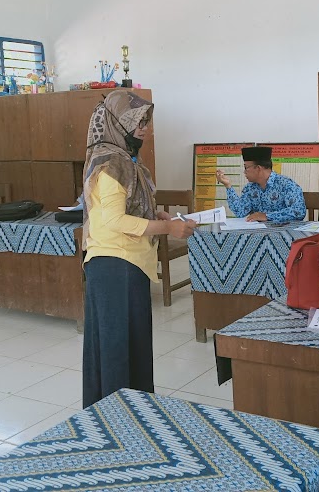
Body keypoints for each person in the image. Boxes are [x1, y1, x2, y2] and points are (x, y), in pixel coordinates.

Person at [81, 90, 195, 408]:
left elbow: (129, 208)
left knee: (134, 348)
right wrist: (169, 228)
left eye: (146, 121)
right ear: (118, 122)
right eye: (138, 121)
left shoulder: (127, 158)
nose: (145, 128)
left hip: (130, 264)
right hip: (113, 265)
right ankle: (116, 424)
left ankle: (138, 418)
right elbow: (115, 220)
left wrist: (156, 215)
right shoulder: (110, 163)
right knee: (117, 352)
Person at [215, 146, 306, 222]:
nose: (244, 172)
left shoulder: (286, 185)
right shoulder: (250, 188)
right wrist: (228, 186)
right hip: (257, 235)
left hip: (283, 235)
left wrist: (266, 216)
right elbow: (240, 212)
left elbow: (298, 212)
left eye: (246, 167)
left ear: (258, 168)